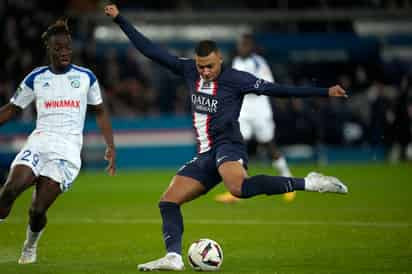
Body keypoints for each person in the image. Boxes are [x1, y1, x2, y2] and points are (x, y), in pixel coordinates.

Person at [105, 4, 348, 271]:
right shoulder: (188, 70)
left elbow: (278, 89)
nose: (205, 72)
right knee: (168, 201)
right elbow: (150, 50)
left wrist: (324, 91)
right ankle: (173, 257)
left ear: (220, 59)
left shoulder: (237, 79)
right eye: (201, 67)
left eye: (209, 66)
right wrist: (120, 19)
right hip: (205, 154)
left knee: (237, 188)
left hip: (228, 145)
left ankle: (308, 182)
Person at [0, 18, 116, 264]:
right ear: (49, 50)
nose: (64, 52)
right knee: (8, 191)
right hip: (39, 143)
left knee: (37, 210)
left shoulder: (86, 77)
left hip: (67, 151)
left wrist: (110, 145)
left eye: (67, 48)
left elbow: (101, 111)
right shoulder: (36, 78)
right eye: (58, 48)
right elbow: (12, 108)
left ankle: (30, 246)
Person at [215, 33, 294, 204]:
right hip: (243, 109)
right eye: (240, 45)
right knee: (237, 144)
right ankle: (236, 187)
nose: (241, 48)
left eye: (244, 45)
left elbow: (268, 85)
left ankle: (287, 178)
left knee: (269, 144)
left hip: (259, 109)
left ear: (251, 46)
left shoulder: (259, 63)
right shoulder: (236, 62)